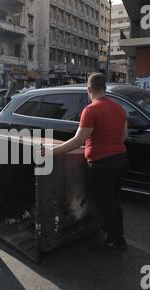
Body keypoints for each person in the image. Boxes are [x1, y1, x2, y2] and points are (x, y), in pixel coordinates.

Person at [44, 73, 129, 254]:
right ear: (104, 88)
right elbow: (124, 136)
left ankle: (111, 242)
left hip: (102, 164)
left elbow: (77, 141)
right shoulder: (120, 108)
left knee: (104, 203)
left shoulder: (91, 110)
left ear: (89, 90)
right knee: (114, 201)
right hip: (121, 160)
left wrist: (51, 152)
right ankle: (119, 238)